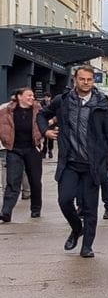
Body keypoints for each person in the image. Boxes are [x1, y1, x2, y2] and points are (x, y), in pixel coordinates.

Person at [39, 65, 108, 258]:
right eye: (82, 79)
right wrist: (46, 131)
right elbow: (42, 114)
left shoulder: (102, 104)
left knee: (90, 206)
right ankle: (77, 229)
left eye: (89, 79)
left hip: (93, 164)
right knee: (65, 200)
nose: (86, 83)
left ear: (94, 81)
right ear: (75, 80)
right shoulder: (63, 101)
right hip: (69, 162)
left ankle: (87, 246)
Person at [0, 87, 45, 222]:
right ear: (19, 97)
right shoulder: (6, 111)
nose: (32, 98)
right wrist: (5, 139)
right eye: (28, 95)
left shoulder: (39, 111)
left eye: (32, 96)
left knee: (35, 181)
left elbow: (49, 121)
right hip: (15, 150)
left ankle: (36, 209)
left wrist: (43, 135)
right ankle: (6, 212)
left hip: (32, 149)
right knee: (12, 181)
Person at [40, 93, 55, 160]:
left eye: (47, 97)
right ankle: (44, 152)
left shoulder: (53, 103)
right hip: (45, 122)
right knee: (44, 139)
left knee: (51, 138)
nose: (46, 99)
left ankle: (50, 150)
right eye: (45, 97)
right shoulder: (41, 104)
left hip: (52, 123)